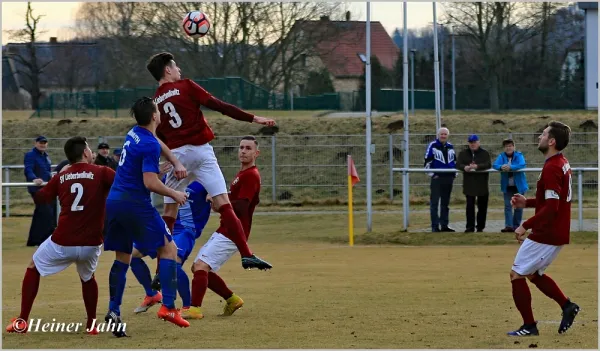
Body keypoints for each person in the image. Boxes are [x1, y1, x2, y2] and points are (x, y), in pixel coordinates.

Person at [146, 52, 273, 272]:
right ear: (167, 69)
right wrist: (253, 118)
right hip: (202, 151)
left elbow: (158, 137)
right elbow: (219, 106)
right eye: (175, 67)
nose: (179, 70)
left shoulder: (154, 103)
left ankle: (160, 269)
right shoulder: (186, 86)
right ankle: (246, 255)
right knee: (224, 203)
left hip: (178, 156)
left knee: (169, 212)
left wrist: (170, 160)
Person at [6, 136, 116, 335]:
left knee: (33, 267)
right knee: (88, 277)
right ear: (84, 153)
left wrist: (53, 179)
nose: (91, 152)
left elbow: (41, 198)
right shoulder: (102, 172)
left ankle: (22, 321)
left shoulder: (61, 176)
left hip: (63, 241)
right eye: (89, 149)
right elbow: (122, 184)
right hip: (92, 243)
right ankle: (92, 324)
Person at [103, 97, 190, 335]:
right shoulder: (149, 144)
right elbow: (149, 182)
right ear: (154, 116)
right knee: (169, 250)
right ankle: (169, 307)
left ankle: (114, 311)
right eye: (158, 110)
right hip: (135, 204)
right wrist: (174, 192)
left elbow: (154, 145)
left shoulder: (134, 133)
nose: (160, 113)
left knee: (123, 257)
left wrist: (172, 160)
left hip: (114, 202)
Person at [508, 122, 580, 337]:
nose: (539, 136)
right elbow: (552, 201)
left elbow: (551, 208)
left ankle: (529, 326)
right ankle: (567, 306)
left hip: (548, 232)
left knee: (516, 275)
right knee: (531, 273)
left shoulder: (552, 167)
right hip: (554, 230)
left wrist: (524, 225)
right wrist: (527, 203)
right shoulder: (560, 162)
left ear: (552, 141)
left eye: (543, 133)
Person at [185, 136, 263, 319]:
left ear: (256, 153)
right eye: (241, 147)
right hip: (226, 229)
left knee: (201, 266)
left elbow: (243, 206)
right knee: (198, 268)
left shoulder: (251, 175)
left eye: (248, 148)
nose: (243, 151)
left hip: (234, 232)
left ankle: (194, 308)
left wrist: (219, 200)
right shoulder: (242, 174)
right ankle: (231, 299)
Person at [130, 179, 211, 315]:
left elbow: (221, 197)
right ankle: (152, 294)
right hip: (166, 225)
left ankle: (188, 307)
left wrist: (213, 197)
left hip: (186, 230)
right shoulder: (173, 177)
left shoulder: (205, 178)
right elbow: (151, 183)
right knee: (132, 255)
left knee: (174, 264)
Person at [24, 135, 56, 246]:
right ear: (35, 143)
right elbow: (28, 169)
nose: (43, 144)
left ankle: (34, 240)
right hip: (37, 188)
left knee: (41, 212)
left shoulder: (46, 156)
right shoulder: (30, 155)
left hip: (46, 188)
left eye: (44, 142)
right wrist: (34, 178)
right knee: (45, 211)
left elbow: (47, 172)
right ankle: (44, 239)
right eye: (40, 142)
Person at [456, 135, 491, 232]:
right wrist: (465, 167)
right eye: (471, 142)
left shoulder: (485, 153)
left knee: (482, 207)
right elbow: (458, 164)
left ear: (478, 142)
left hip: (482, 184)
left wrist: (477, 166)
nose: (473, 144)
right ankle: (469, 227)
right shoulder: (463, 153)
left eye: (474, 142)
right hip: (469, 184)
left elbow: (488, 164)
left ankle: (480, 227)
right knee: (470, 207)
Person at [424, 127, 456, 232]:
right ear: (438, 135)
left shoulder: (450, 146)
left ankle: (444, 225)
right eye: (441, 134)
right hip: (437, 178)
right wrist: (433, 175)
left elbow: (454, 162)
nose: (443, 136)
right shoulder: (432, 145)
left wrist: (454, 174)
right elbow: (427, 162)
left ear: (448, 135)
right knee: (434, 203)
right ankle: (435, 226)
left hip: (448, 178)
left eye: (445, 134)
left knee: (445, 204)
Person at [493, 139, 529, 232]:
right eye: (506, 146)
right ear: (504, 148)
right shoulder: (501, 156)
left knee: (519, 206)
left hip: (519, 186)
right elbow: (495, 165)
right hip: (507, 186)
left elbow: (522, 164)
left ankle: (516, 226)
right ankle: (508, 226)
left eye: (510, 146)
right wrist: (501, 167)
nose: (508, 148)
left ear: (513, 147)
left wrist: (511, 167)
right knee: (507, 206)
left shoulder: (519, 155)